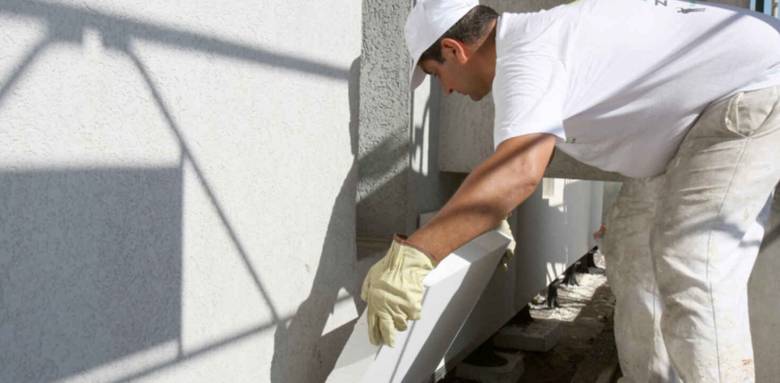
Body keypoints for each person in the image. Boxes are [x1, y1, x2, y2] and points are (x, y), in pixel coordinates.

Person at [359, 0, 780, 381]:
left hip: (755, 89)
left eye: (437, 75)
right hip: (691, 123)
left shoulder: (527, 56)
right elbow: (505, 168)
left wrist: (415, 256)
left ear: (454, 49)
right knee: (630, 246)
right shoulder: (529, 47)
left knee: (692, 258)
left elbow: (519, 171)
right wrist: (481, 219)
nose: (447, 89)